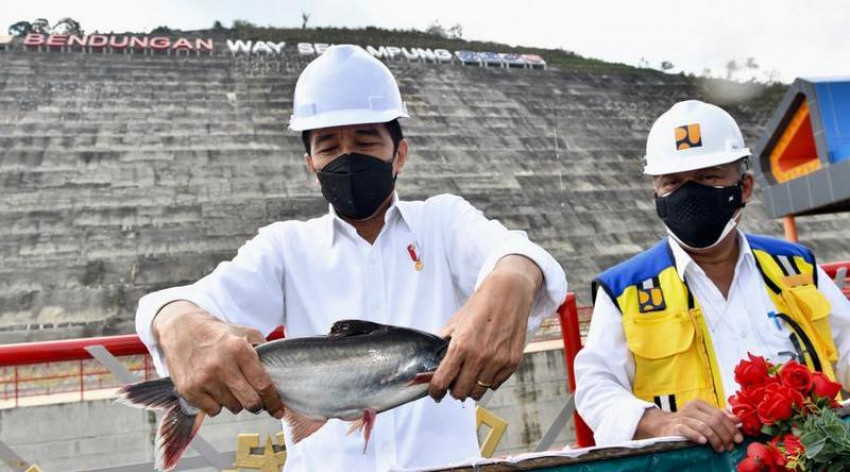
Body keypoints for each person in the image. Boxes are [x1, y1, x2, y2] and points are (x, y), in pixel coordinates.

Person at [135, 44, 567, 471]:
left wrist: (513, 279)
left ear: (399, 154)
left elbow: (519, 253)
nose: (347, 158)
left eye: (365, 141)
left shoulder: (443, 222)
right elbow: (178, 303)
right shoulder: (284, 247)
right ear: (311, 163)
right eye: (328, 147)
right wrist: (175, 320)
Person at [574, 100, 850, 453]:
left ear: (745, 187)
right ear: (656, 196)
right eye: (673, 182)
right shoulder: (626, 290)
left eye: (709, 177)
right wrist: (660, 422)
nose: (691, 194)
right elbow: (596, 385)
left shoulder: (795, 267)